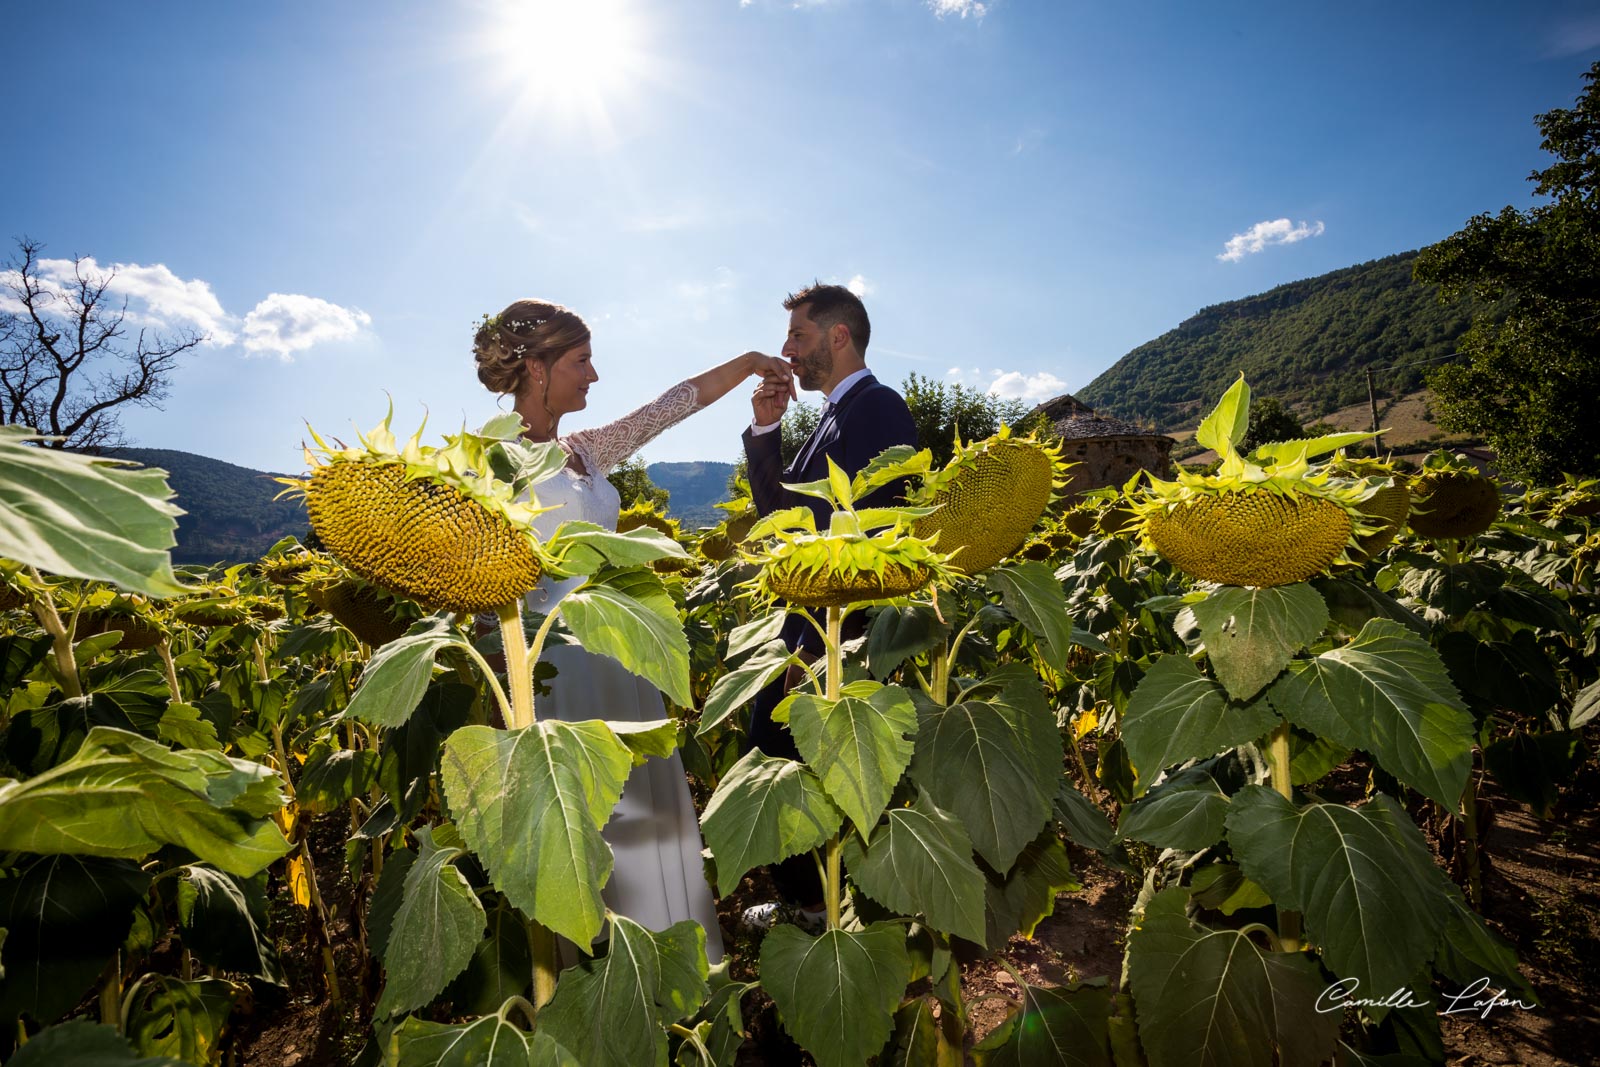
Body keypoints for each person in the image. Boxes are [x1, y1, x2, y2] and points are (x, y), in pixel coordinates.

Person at [474, 298, 794, 964]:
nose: (593, 376)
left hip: (619, 657)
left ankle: (662, 970)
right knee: (585, 831)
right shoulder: (490, 461)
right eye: (580, 360)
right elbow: (476, 581)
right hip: (556, 674)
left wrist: (748, 364)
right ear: (535, 367)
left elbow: (673, 404)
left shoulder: (583, 450)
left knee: (642, 823)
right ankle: (598, 981)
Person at [739, 283, 918, 929]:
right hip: (813, 620)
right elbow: (781, 519)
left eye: (798, 337)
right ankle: (811, 900)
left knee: (779, 757)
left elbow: (878, 534)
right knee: (777, 757)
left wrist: (824, 648)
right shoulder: (835, 415)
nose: (787, 350)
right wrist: (767, 427)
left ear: (838, 336)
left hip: (836, 630)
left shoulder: (879, 409)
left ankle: (816, 909)